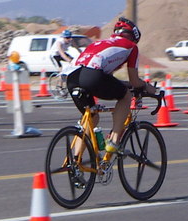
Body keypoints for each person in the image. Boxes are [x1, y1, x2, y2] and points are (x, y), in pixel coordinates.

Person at [67, 17, 156, 153]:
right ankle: (114, 141)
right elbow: (135, 81)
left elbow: (106, 78)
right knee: (125, 96)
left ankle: (75, 164)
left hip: (72, 77)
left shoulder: (101, 43)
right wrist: (148, 87)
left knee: (92, 118)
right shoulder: (131, 47)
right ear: (134, 38)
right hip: (91, 76)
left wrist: (124, 84)